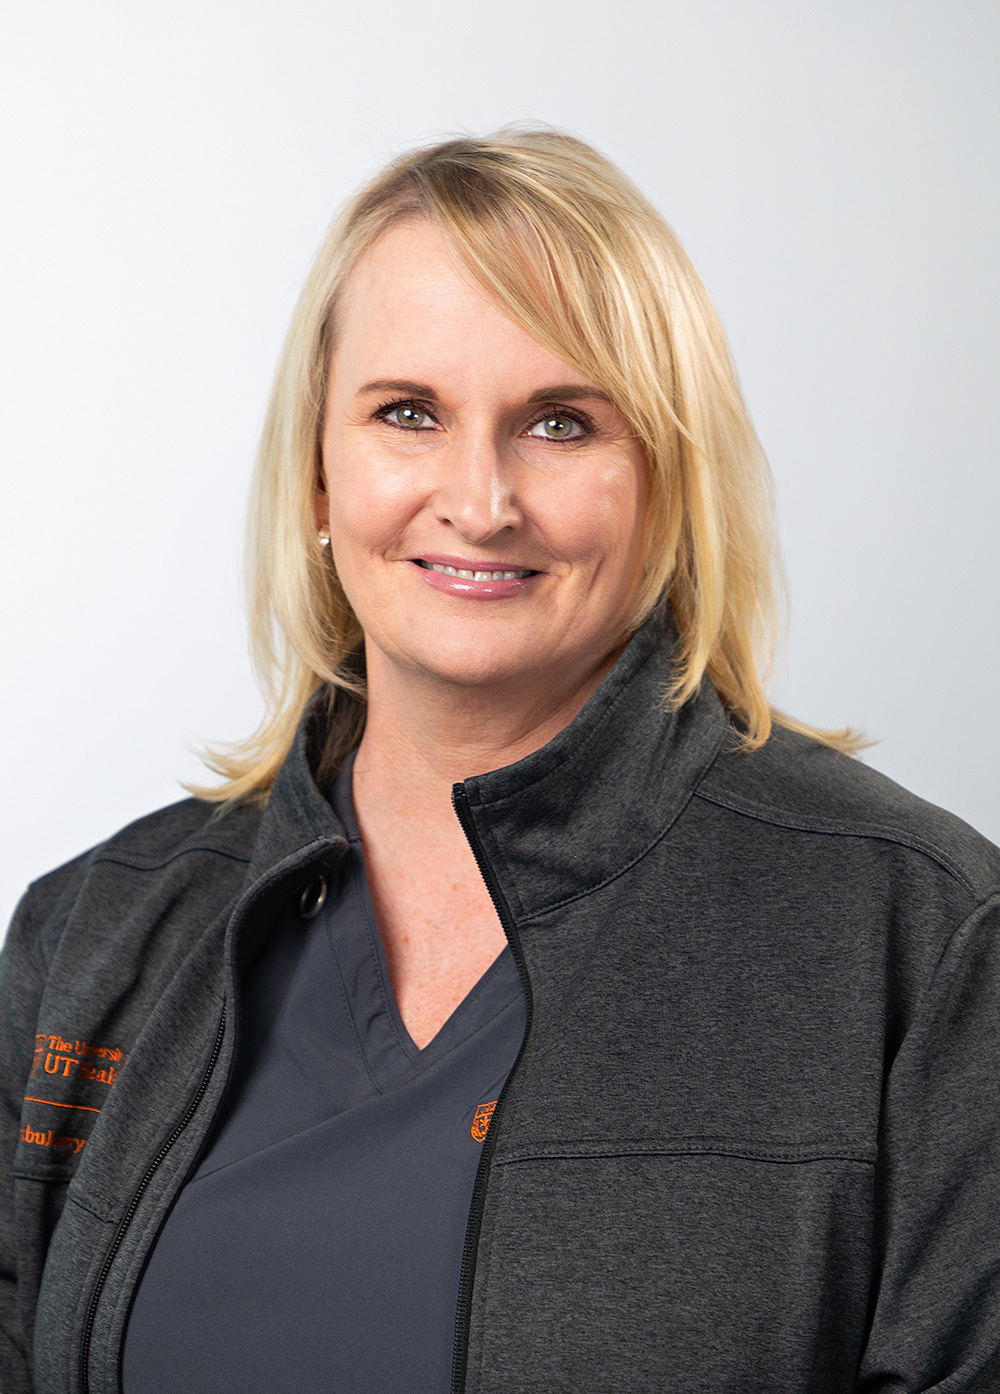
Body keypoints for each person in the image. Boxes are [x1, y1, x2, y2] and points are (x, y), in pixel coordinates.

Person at [3, 126, 1000, 1394]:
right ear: (318, 470)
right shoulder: (90, 932)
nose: (480, 499)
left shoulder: (921, 933)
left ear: (667, 477)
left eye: (561, 421)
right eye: (407, 412)